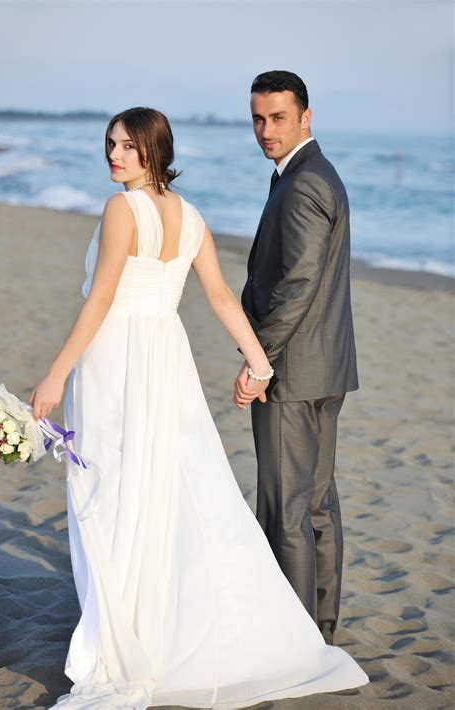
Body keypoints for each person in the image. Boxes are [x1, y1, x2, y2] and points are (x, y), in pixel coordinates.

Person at [29, 106, 368, 708]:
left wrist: (56, 375)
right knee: (158, 484)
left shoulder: (120, 209)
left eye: (129, 148)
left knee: (112, 490)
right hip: (164, 357)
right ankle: (160, 618)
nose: (115, 156)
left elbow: (102, 297)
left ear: (156, 152)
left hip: (116, 359)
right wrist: (258, 361)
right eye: (110, 144)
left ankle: (131, 629)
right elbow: (218, 297)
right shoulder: (191, 217)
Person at [235, 70, 359, 646]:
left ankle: (295, 640)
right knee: (315, 504)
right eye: (259, 118)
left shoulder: (305, 182)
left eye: (278, 117)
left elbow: (299, 282)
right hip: (326, 368)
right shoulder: (310, 174)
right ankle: (320, 631)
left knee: (289, 509)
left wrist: (260, 360)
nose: (266, 130)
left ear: (306, 117)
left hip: (293, 374)